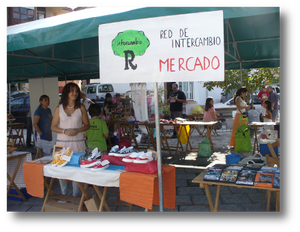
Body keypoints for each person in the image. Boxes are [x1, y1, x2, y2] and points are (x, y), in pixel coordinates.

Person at [51, 82, 90, 197]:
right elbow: (53, 127)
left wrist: (78, 130)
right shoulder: (59, 108)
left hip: (77, 144)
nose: (74, 93)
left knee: (77, 170)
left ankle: (75, 196)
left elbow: (87, 125)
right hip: (61, 145)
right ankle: (63, 194)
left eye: (76, 91)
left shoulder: (81, 107)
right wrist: (64, 131)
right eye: (72, 91)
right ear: (66, 93)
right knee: (61, 169)